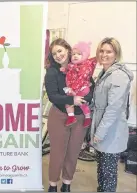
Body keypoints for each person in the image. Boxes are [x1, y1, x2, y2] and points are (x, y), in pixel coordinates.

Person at [44, 38, 95, 192]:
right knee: (57, 154)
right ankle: (53, 185)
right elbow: (53, 96)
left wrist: (84, 98)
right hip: (59, 116)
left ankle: (66, 183)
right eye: (54, 54)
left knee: (73, 153)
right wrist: (71, 99)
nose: (58, 55)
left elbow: (90, 90)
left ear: (67, 49)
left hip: (79, 118)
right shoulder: (52, 72)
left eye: (60, 50)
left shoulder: (83, 67)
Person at [91, 37, 134, 192]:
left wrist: (99, 132)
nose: (104, 54)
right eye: (101, 51)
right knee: (102, 170)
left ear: (116, 54)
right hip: (103, 130)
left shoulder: (118, 76)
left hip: (111, 131)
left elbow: (113, 109)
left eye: (109, 51)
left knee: (108, 174)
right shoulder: (105, 73)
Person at [60, 41, 97, 127]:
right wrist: (65, 70)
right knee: (74, 102)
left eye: (79, 54)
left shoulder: (85, 66)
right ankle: (77, 117)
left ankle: (82, 117)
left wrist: (74, 91)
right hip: (74, 88)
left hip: (81, 88)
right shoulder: (72, 66)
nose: (75, 56)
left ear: (84, 55)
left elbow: (82, 78)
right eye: (73, 54)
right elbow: (71, 74)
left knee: (75, 102)